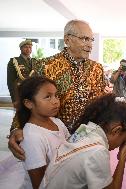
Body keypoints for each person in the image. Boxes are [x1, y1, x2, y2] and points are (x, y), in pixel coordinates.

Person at [8, 19, 106, 161]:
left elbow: (100, 103)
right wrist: (16, 128)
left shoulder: (96, 69)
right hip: (52, 141)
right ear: (67, 40)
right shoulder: (46, 66)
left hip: (86, 141)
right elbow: (27, 99)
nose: (90, 44)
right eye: (84, 39)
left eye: (91, 40)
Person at [40, 94, 126, 189]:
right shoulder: (97, 151)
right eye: (124, 140)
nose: (119, 145)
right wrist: (123, 156)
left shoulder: (86, 130)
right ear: (116, 130)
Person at [17, 76, 70, 189]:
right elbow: (40, 184)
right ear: (29, 103)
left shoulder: (57, 122)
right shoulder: (32, 136)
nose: (55, 101)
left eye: (56, 95)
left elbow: (70, 147)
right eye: (47, 97)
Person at [7, 39, 37, 106]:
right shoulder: (14, 61)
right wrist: (14, 99)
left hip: (33, 93)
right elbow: (10, 81)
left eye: (30, 47)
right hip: (20, 93)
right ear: (21, 48)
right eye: (26, 47)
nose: (28, 49)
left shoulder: (34, 61)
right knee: (21, 114)